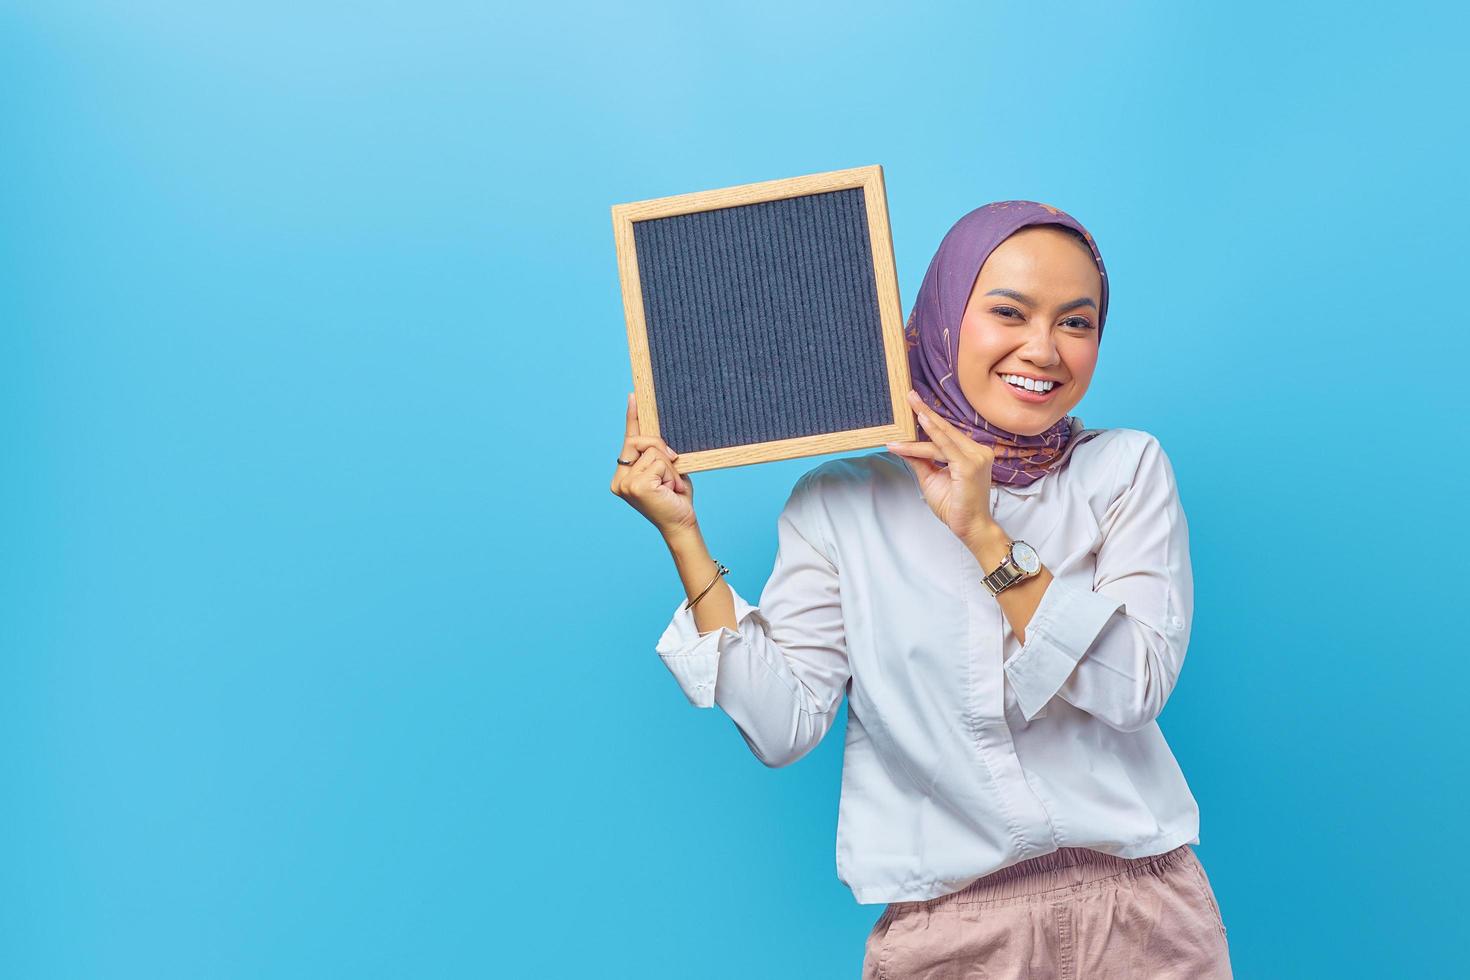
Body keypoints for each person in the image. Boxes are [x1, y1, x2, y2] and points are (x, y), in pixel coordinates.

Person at [611, 200, 1232, 978]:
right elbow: (781, 728)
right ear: (943, 315)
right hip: (951, 937)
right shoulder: (839, 503)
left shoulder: (1125, 470)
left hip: (1142, 919)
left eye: (1077, 323)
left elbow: (1132, 687)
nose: (1042, 349)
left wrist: (984, 535)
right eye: (1008, 311)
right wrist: (682, 537)